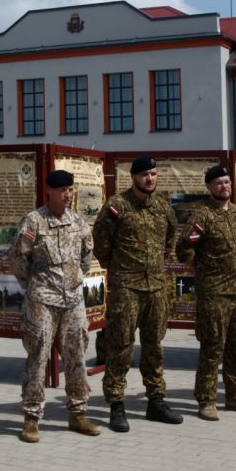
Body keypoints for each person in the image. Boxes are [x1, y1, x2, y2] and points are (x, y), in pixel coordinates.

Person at [8, 170, 101, 443]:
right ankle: (31, 417)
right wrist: (35, 285)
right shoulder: (34, 221)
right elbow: (18, 258)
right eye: (62, 190)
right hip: (42, 302)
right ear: (49, 191)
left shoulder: (78, 221)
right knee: (38, 356)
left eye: (70, 189)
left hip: (72, 301)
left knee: (76, 355)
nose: (68, 195)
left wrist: (73, 280)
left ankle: (78, 413)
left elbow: (86, 258)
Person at [92, 156, 181, 432]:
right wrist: (120, 269)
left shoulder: (163, 207)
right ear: (133, 177)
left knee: (154, 346)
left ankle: (156, 401)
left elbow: (170, 240)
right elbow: (101, 243)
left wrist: (156, 265)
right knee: (121, 346)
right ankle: (116, 404)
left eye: (153, 174)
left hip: (156, 287)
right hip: (127, 288)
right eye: (144, 174)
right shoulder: (117, 206)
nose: (150, 179)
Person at [175, 166, 236, 421]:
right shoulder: (202, 216)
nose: (224, 186)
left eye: (227, 182)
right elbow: (184, 250)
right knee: (212, 347)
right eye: (219, 183)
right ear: (209, 187)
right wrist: (203, 272)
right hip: (214, 293)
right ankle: (207, 400)